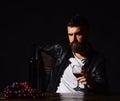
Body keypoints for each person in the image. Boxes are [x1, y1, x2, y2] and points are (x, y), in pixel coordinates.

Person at [36, 14, 108, 94]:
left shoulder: (97, 60)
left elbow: (104, 88)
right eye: (70, 35)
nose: (73, 39)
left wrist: (92, 84)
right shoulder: (61, 50)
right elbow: (38, 48)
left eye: (78, 34)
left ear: (87, 34)